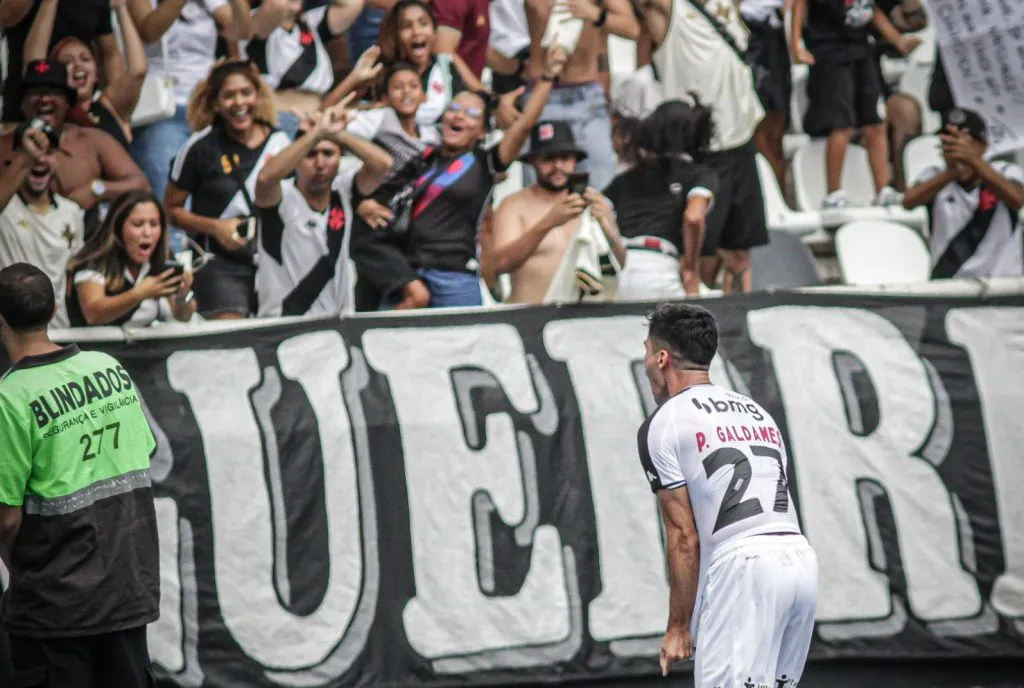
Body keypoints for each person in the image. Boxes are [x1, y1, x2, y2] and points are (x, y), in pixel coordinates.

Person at [637, 301, 819, 688]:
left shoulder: (664, 422)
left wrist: (678, 627)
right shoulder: (755, 412)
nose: (647, 364)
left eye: (647, 353)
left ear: (663, 358)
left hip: (744, 566)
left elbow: (685, 536)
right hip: (800, 561)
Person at [0, 262, 160, 687]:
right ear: (55, 310)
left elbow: (6, 518)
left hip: (55, 604)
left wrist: (20, 568)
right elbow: (143, 451)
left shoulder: (9, 399)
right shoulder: (107, 367)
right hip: (126, 587)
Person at [352, 42, 568, 309]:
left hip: (456, 276)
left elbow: (522, 127)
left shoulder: (484, 162)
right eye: (454, 109)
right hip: (409, 274)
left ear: (481, 132)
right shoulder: (421, 160)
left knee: (463, 349)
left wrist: (547, 78)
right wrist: (364, 203)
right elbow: (383, 195)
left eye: (472, 113)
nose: (460, 116)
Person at [634, 0, 768, 294]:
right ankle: (698, 322)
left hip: (741, 140)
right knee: (702, 254)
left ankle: (739, 321)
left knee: (739, 254)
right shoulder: (668, 9)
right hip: (701, 150)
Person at [165, 59, 292, 319]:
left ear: (257, 96)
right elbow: (171, 210)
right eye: (229, 96)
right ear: (215, 103)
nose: (239, 103)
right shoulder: (199, 147)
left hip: (272, 259)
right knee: (229, 336)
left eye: (246, 93)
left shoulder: (280, 143)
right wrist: (216, 228)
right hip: (219, 263)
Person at [254, 99, 392, 317]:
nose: (320, 163)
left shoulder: (343, 191)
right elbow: (263, 179)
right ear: (297, 161)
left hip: (336, 329)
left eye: (328, 154)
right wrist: (316, 133)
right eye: (310, 154)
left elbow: (382, 164)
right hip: (283, 327)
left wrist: (337, 133)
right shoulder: (282, 196)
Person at [790, 0, 919, 209]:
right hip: (831, 52)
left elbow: (871, 9)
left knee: (876, 121)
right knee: (842, 124)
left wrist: (898, 40)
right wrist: (796, 45)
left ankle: (883, 189)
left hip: (862, 49)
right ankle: (834, 193)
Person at [488, 120, 625, 304]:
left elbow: (620, 264)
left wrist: (610, 231)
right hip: (530, 318)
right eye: (548, 158)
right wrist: (549, 222)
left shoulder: (595, 202)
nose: (558, 166)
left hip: (583, 320)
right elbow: (499, 264)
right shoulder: (513, 205)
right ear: (533, 161)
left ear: (575, 160)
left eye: (565, 158)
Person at [0, 60, 151, 222]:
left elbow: (142, 185)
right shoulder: (4, 145)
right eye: (35, 93)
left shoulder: (91, 140)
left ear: (67, 102)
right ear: (22, 104)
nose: (44, 99)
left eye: (53, 92)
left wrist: (97, 189)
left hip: (83, 239)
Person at [603, 100, 717, 299]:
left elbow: (598, 212)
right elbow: (693, 216)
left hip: (617, 268)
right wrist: (690, 268)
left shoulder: (624, 180)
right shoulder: (699, 175)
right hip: (659, 268)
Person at [521, 0, 640, 191]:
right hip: (541, 95)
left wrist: (595, 14)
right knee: (538, 188)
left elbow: (632, 29)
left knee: (601, 186)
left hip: (586, 96)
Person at [903, 108, 1024, 280]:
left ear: (983, 146)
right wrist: (951, 172)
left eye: (965, 142)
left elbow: (1017, 199)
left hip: (1002, 282)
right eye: (949, 142)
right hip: (949, 284)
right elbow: (908, 202)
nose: (955, 148)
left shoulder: (1005, 171)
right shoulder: (933, 175)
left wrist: (973, 161)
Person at [24, 0, 148, 150]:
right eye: (67, 62)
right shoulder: (47, 111)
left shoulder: (111, 107)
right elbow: (34, 62)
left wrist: (121, 9)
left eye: (85, 58)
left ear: (96, 73)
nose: (78, 66)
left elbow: (138, 70)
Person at [65, 190, 198, 327]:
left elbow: (182, 316)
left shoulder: (161, 259)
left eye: (153, 224)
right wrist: (139, 294)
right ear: (118, 227)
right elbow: (93, 314)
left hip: (143, 347)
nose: (147, 233)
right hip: (94, 346)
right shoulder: (94, 260)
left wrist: (183, 296)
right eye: (138, 224)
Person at [0, 120, 85, 328]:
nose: (39, 160)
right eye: (32, 154)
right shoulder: (5, 207)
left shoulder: (71, 211)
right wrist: (26, 158)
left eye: (48, 152)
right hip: (10, 331)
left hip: (59, 330)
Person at [243, 0, 365, 138]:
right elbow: (277, 4)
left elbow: (353, 3)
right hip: (279, 118)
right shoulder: (250, 23)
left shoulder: (310, 21)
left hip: (321, 114)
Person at [0, 0, 125, 124]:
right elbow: (6, 16)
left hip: (81, 112)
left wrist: (116, 110)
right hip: (24, 110)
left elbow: (110, 54)